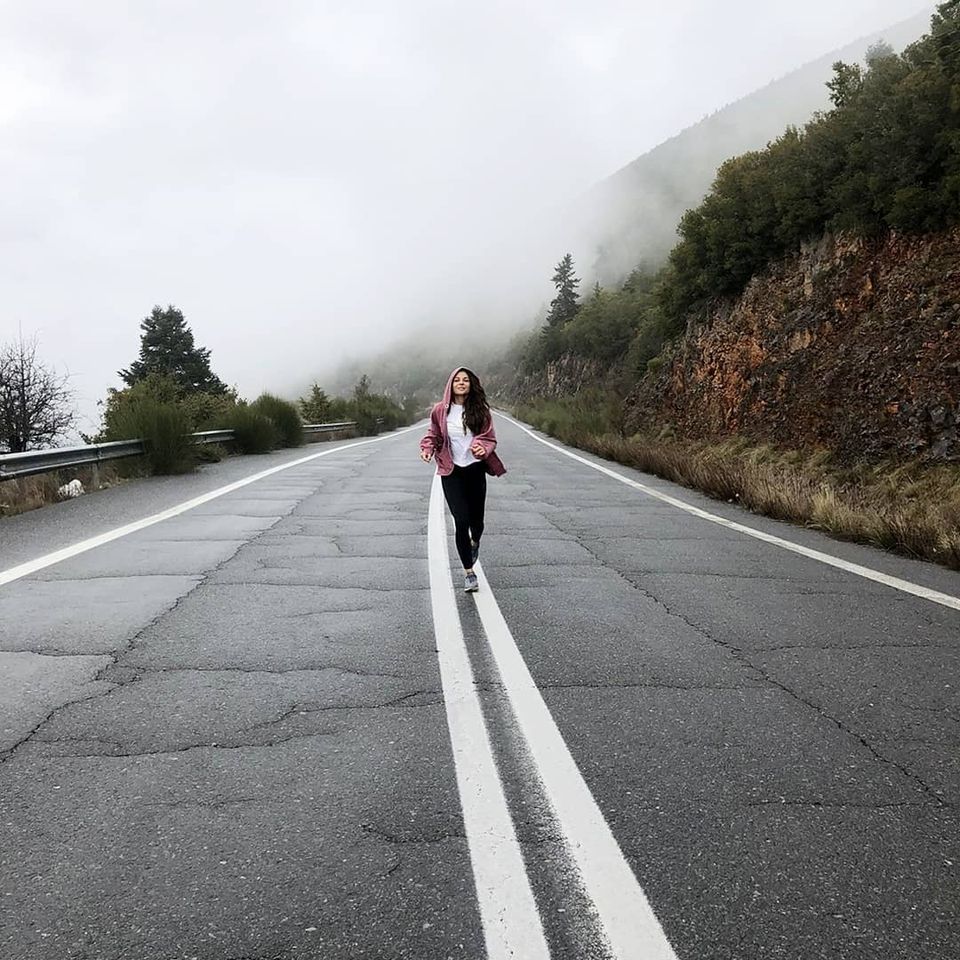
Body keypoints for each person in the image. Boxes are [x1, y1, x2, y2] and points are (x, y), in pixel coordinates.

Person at [420, 367, 506, 592]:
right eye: (457, 380)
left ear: (471, 384)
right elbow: (433, 434)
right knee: (461, 520)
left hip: (475, 470)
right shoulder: (440, 410)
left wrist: (482, 448)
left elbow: (489, 438)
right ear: (450, 384)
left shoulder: (480, 410)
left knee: (477, 522)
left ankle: (474, 541)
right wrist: (427, 449)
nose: (461, 383)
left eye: (465, 380)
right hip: (452, 472)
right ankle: (469, 573)